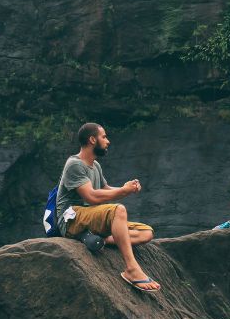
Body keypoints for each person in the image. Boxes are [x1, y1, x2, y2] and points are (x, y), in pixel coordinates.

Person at [56, 123, 160, 292]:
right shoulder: (75, 164)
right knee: (118, 210)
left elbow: (104, 189)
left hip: (90, 217)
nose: (108, 141)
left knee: (146, 232)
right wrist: (123, 192)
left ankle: (96, 239)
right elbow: (91, 196)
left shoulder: (95, 165)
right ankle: (132, 270)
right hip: (72, 218)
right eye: (104, 137)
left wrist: (126, 188)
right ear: (92, 139)